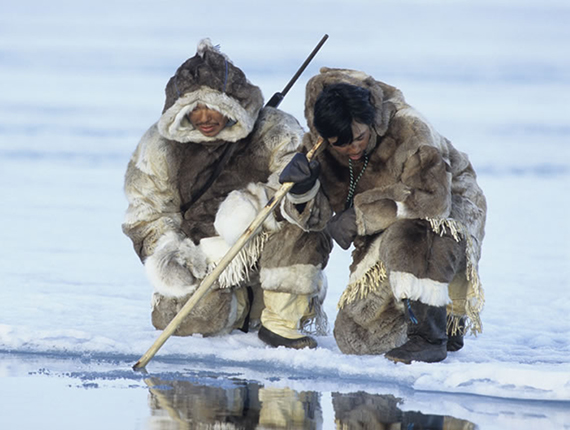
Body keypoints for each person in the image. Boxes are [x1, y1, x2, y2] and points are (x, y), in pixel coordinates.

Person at [122, 39, 332, 349]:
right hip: (201, 257)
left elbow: (304, 201)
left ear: (232, 103)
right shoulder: (160, 144)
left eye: (213, 106)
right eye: (194, 108)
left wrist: (287, 194)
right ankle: (244, 305)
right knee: (190, 321)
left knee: (300, 228)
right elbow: (146, 211)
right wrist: (173, 257)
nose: (204, 117)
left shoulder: (275, 129)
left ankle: (283, 319)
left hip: (261, 243)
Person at [279, 67, 487, 363]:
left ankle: (434, 333)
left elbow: (432, 202)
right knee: (357, 339)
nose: (353, 148)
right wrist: (301, 189)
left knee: (416, 233)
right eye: (342, 143)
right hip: (386, 220)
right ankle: (418, 314)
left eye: (359, 137)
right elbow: (315, 220)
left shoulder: (410, 130)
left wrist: (360, 217)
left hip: (448, 206)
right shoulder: (317, 147)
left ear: (370, 121)